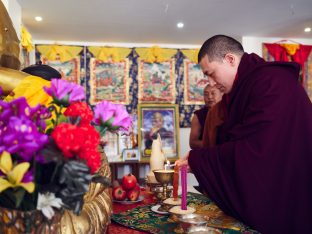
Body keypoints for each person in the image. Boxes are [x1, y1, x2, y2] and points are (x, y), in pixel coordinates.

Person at [176, 35, 312, 233]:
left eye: (211, 73)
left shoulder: (270, 83)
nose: (211, 83)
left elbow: (256, 151)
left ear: (230, 59)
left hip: (290, 188)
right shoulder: (247, 86)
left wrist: (199, 159)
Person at [189, 83, 223, 149]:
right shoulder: (199, 115)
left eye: (213, 93)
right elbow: (192, 143)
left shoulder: (228, 112)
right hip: (206, 153)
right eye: (206, 94)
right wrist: (214, 146)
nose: (209, 97)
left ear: (222, 94)